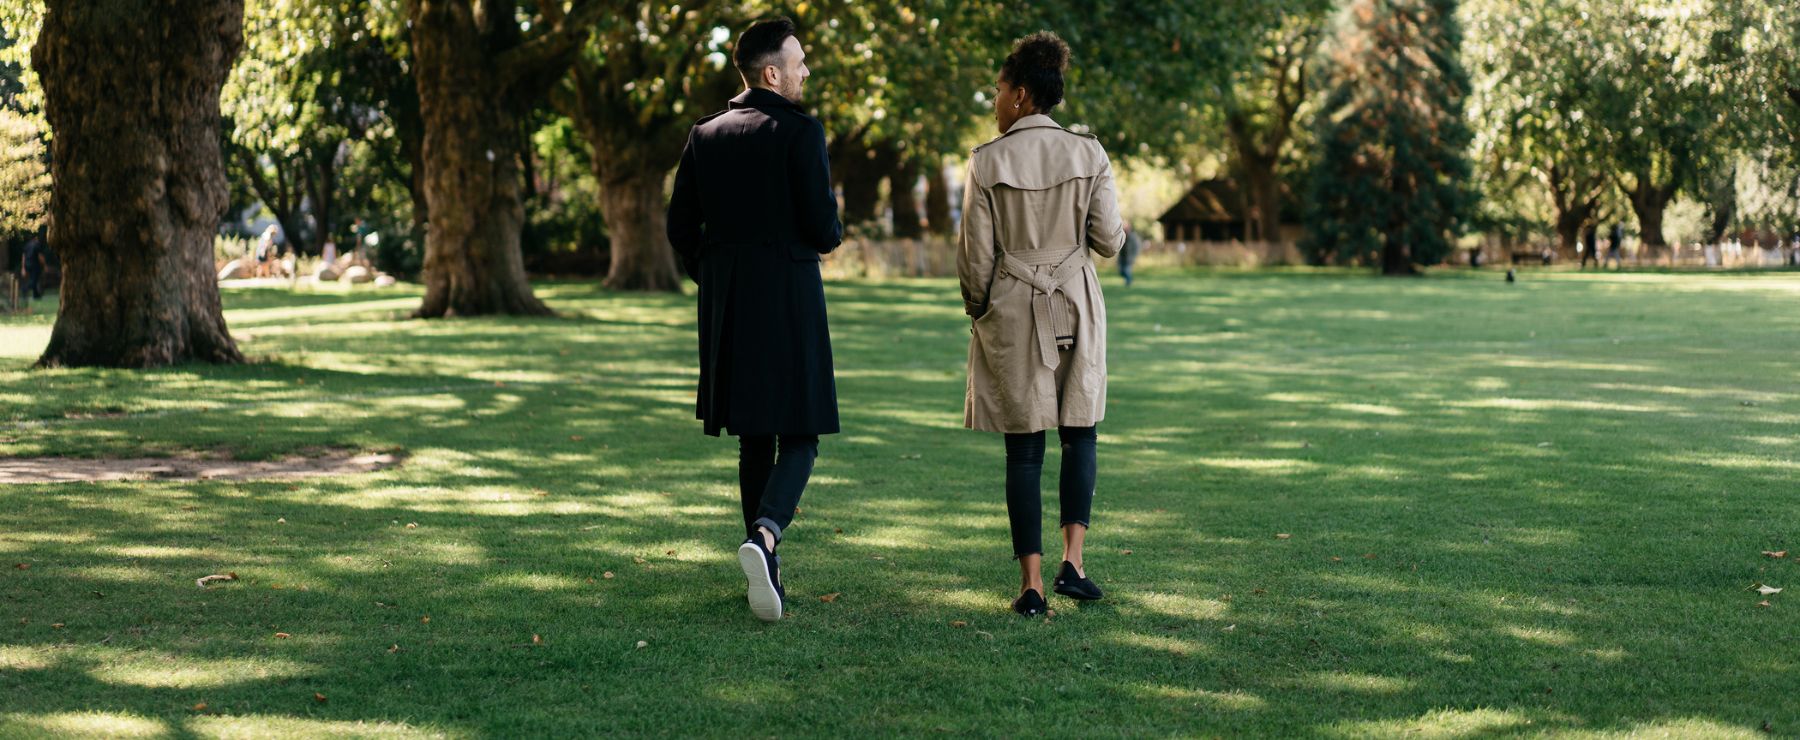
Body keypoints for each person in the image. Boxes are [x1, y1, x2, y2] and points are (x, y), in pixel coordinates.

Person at [666, 16, 842, 623]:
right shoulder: (799, 131)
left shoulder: (705, 133)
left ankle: (761, 566)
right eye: (799, 62)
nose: (806, 71)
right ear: (773, 73)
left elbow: (679, 228)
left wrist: (715, 277)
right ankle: (765, 538)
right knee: (801, 431)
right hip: (789, 294)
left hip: (730, 303)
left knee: (754, 437)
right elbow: (824, 228)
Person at [958, 31, 1124, 617]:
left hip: (1012, 304)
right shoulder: (1090, 154)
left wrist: (980, 310)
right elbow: (1107, 239)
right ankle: (1073, 564)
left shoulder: (987, 161)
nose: (995, 102)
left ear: (1022, 95)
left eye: (999, 91)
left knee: (1024, 451)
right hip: (1076, 300)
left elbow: (976, 259)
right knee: (1081, 432)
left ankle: (1030, 586)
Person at [20, 229, 47, 301]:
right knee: (34, 280)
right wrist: (44, 265)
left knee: (33, 280)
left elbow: (24, 256)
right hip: (35, 265)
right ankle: (24, 289)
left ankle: (36, 295)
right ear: (36, 238)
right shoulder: (37, 245)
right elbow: (40, 256)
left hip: (27, 265)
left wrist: (23, 268)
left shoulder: (27, 245)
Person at [1117, 222, 1143, 286]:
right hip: (1122, 257)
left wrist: (1134, 256)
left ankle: (1128, 283)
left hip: (1129, 257)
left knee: (1127, 270)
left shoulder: (1133, 237)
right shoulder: (1122, 236)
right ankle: (1129, 280)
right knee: (1121, 271)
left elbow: (1137, 247)